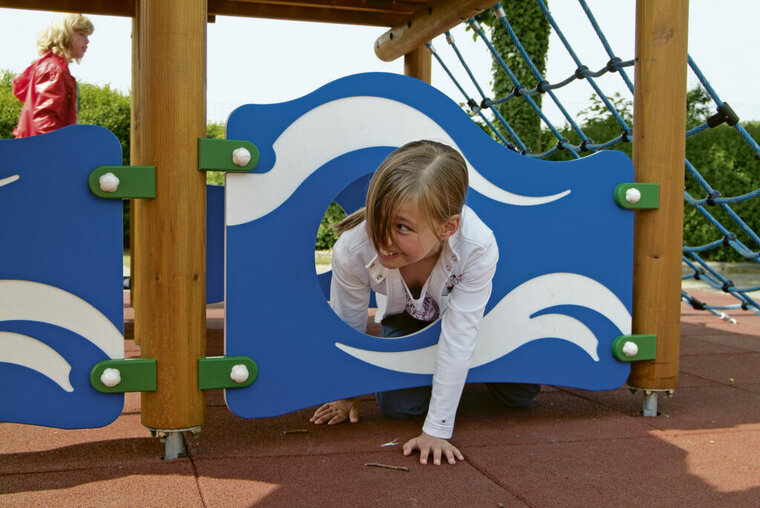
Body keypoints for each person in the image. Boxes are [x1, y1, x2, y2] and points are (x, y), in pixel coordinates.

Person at [310, 140, 540, 465]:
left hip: (471, 318)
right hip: (404, 318)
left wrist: (437, 428)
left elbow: (460, 335)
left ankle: (458, 378)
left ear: (448, 228)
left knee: (521, 395)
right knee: (397, 408)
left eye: (403, 227)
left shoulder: (477, 245)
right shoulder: (354, 249)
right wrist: (347, 393)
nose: (385, 240)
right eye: (379, 219)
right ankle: (441, 377)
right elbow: (349, 323)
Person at [12, 13, 93, 138]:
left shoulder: (54, 67)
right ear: (64, 35)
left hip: (38, 150)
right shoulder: (53, 70)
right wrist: (57, 152)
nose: (87, 40)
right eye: (81, 34)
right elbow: (44, 121)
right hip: (41, 153)